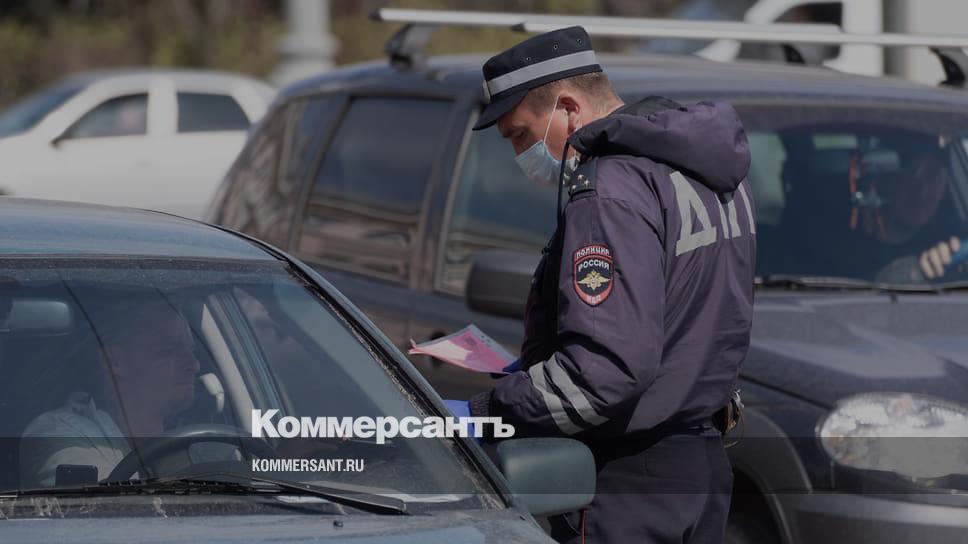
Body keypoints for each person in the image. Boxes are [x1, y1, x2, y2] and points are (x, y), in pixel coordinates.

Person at [451, 27, 756, 543]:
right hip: (702, 463)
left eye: (520, 135)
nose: (520, 153)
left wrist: (490, 411)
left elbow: (602, 374)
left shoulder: (610, 189)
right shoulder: (710, 172)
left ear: (569, 109)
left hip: (628, 478)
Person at [20, 294, 201, 487]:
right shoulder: (61, 434)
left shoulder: (200, 440)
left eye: (192, 352)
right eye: (168, 351)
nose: (194, 365)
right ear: (114, 361)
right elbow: (99, 504)